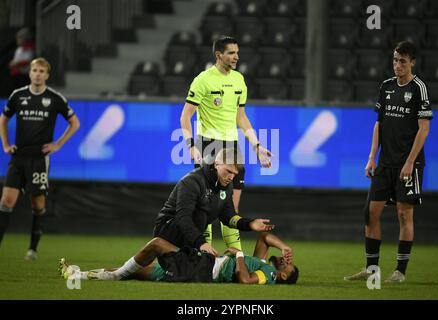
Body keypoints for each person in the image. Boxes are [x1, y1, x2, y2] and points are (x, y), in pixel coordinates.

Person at [344, 41, 433, 283]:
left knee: (405, 215)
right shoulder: (386, 87)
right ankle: (371, 269)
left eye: (402, 61)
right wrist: (372, 157)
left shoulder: (419, 88)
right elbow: (379, 124)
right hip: (384, 163)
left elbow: (423, 129)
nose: (397, 65)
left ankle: (400, 271)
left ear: (412, 62)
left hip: (408, 164)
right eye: (395, 60)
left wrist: (410, 162)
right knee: (369, 213)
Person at [180, 35, 272, 251]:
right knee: (204, 206)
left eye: (237, 53)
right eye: (231, 53)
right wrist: (191, 145)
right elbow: (185, 116)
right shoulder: (203, 80)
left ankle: (236, 254)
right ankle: (205, 253)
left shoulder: (239, 80)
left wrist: (257, 146)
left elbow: (241, 117)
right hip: (208, 145)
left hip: (232, 146)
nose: (236, 57)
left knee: (232, 207)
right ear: (218, 55)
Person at [0, 57, 80, 260]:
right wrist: (6, 144)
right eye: (34, 70)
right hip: (18, 158)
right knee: (6, 201)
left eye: (41, 71)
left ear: (47, 75)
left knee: (37, 204)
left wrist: (58, 144)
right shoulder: (18, 95)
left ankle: (32, 249)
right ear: (29, 73)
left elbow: (75, 123)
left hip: (39, 159)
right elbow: (4, 117)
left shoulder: (54, 98)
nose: (37, 74)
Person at [59, 232, 299, 285]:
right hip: (198, 264)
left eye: (289, 265)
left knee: (157, 244)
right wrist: (285, 245)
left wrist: (237, 255)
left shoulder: (267, 275)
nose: (286, 260)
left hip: (200, 268)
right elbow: (264, 238)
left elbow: (245, 280)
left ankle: (79, 274)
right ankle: (77, 274)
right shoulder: (264, 265)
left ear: (283, 275)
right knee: (129, 272)